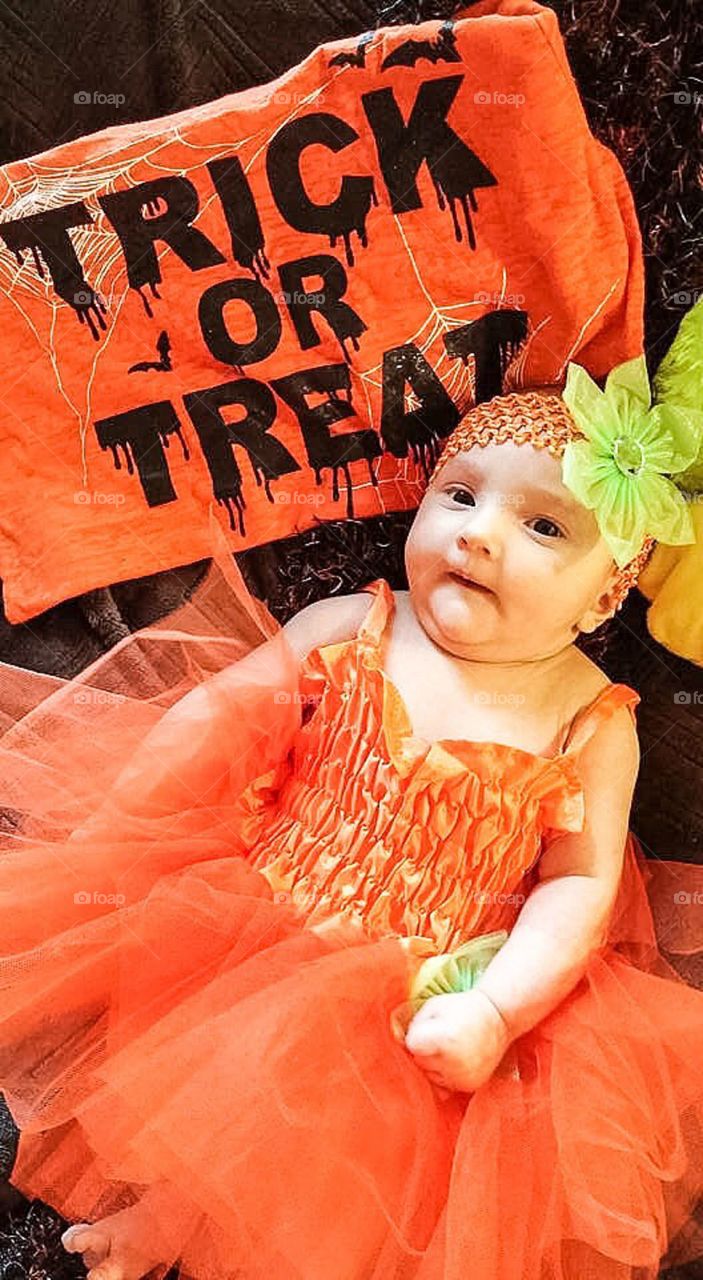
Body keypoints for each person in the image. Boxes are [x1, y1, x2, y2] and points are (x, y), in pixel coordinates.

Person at [1, 342, 703, 1280]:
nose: (479, 534)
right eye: (460, 495)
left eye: (544, 528)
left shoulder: (588, 720)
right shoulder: (355, 622)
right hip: (256, 910)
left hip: (430, 987)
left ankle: (191, 1230)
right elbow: (219, 712)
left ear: (605, 592)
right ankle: (160, 1210)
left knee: (331, 1145)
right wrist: (122, 816)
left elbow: (576, 885)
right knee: (208, 1083)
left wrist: (495, 1010)